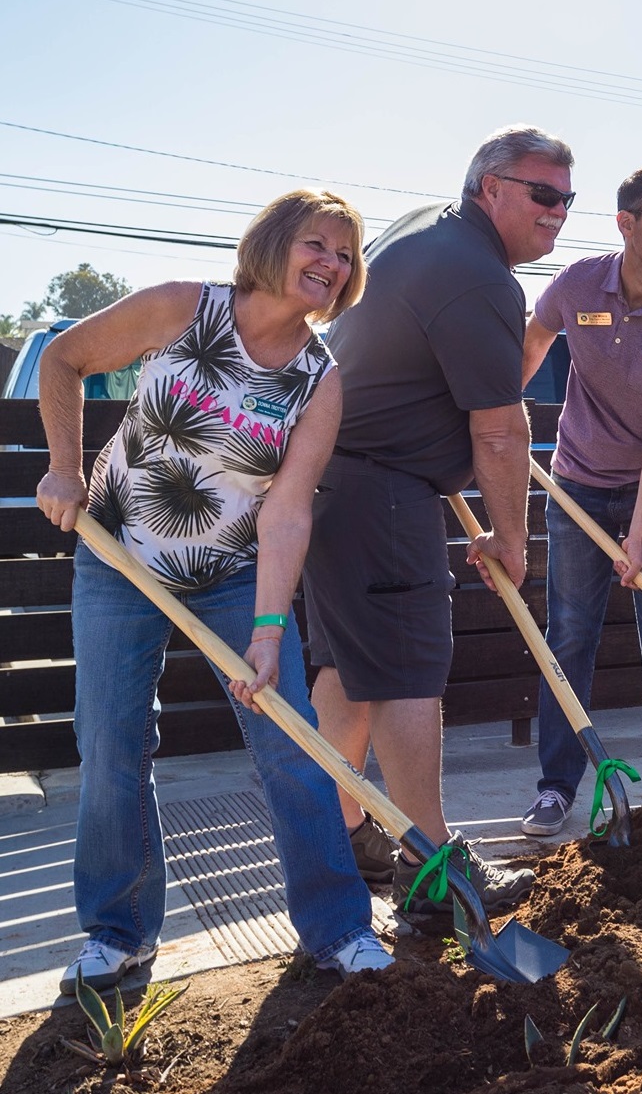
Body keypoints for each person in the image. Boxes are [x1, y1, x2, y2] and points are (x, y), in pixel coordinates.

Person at [36, 190, 392, 991]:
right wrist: (65, 465)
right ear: (272, 244)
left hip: (231, 573)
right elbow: (64, 358)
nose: (331, 264)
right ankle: (119, 932)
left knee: (291, 741)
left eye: (344, 254)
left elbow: (289, 511)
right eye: (317, 244)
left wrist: (268, 629)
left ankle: (337, 928)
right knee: (112, 747)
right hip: (118, 560)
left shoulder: (317, 380)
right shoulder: (181, 309)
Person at [304, 124, 573, 916]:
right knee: (411, 670)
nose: (557, 212)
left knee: (350, 675)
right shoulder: (481, 276)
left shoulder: (426, 229)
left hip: (335, 485)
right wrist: (512, 539)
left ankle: (344, 832)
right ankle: (429, 870)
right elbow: (498, 428)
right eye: (542, 193)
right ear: (490, 187)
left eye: (567, 199)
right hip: (382, 493)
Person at [518, 166, 642, 836]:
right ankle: (555, 785)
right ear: (625, 223)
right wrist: (494, 410)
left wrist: (637, 533)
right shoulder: (578, 283)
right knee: (569, 634)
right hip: (575, 481)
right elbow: (533, 338)